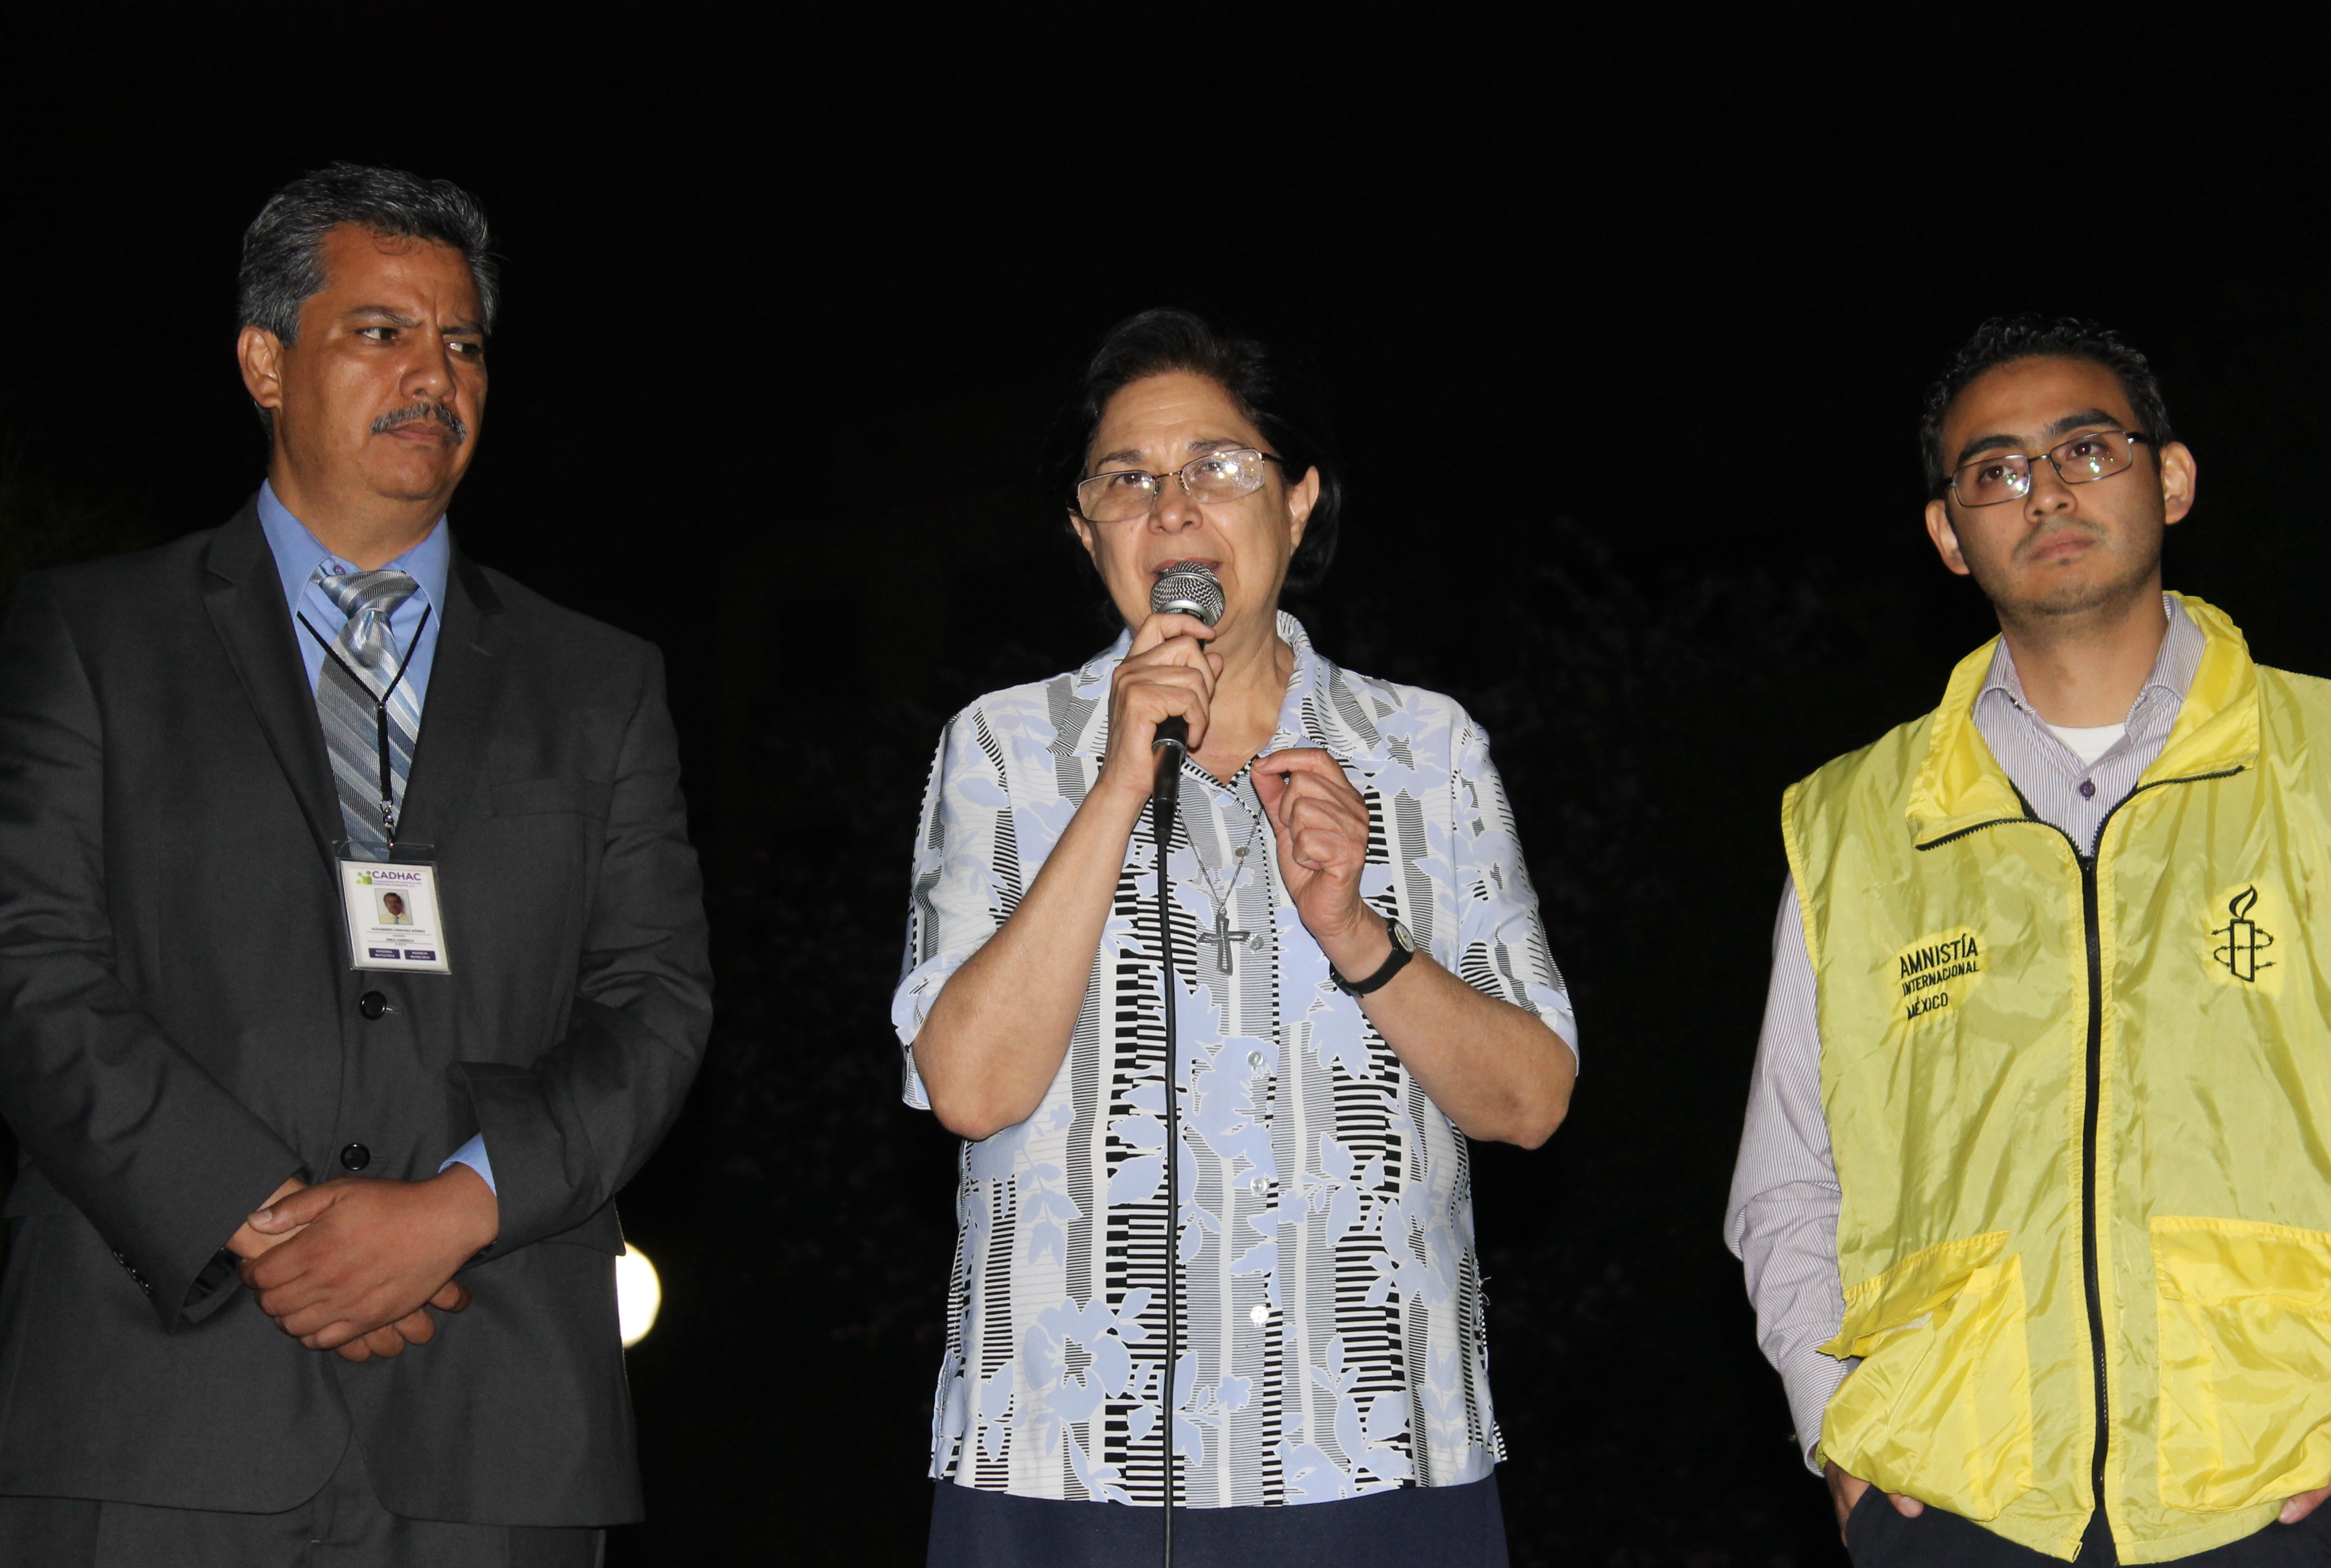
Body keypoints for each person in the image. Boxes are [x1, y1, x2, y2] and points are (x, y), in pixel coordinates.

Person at [0, 164, 710, 1566]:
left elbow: (658, 1001)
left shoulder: (597, 681)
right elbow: (26, 965)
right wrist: (256, 1216)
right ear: (265, 359)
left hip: (495, 1418)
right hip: (151, 1402)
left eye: (464, 344)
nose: (433, 373)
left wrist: (458, 1205)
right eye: (381, 331)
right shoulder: (95, 637)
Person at [894, 308, 1577, 1567]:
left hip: (1376, 1457)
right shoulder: (999, 747)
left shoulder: (1426, 752)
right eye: (1128, 480)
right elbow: (971, 1084)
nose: (1173, 511)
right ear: (1082, 526)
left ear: (1300, 499)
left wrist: (1359, 931)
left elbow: (1530, 1101)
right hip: (1060, 1459)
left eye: (1218, 467)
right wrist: (1111, 786)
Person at [1727, 316, 2331, 1564]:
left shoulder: (2317, 762)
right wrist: (1836, 1431)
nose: (2045, 489)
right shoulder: (1855, 819)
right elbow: (1789, 1172)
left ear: (2170, 478)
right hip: (1957, 1502)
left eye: (2087, 448)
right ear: (1950, 533)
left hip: (2280, 1480)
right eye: (1994, 469)